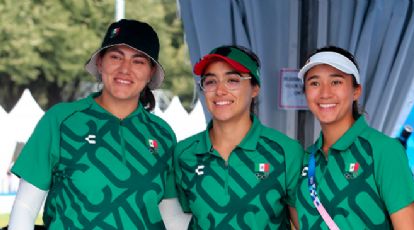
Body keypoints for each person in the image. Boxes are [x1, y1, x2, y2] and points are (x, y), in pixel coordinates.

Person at [8, 19, 177, 229]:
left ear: (151, 72)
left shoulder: (163, 134)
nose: (125, 69)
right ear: (100, 62)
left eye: (138, 61)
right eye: (116, 57)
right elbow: (25, 210)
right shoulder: (60, 120)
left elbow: (172, 218)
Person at [174, 45, 304, 229]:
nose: (220, 90)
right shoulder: (184, 153)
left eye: (232, 80)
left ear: (255, 88)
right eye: (211, 81)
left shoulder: (287, 151)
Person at [295, 45, 414, 229]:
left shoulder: (384, 150)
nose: (325, 93)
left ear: (356, 91)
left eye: (336, 82)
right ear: (306, 93)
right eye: (314, 83)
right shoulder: (306, 158)